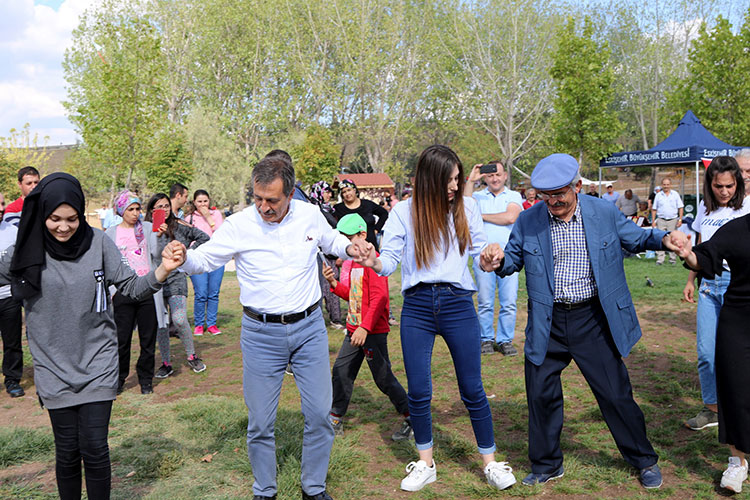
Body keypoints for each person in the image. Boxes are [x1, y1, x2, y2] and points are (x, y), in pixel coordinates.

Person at [170, 155, 369, 500]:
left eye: (272, 200)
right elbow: (206, 258)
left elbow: (331, 240)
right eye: (258, 198)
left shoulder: (309, 215)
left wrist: (350, 246)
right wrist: (184, 258)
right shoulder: (238, 225)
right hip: (261, 335)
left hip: (309, 330)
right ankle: (265, 490)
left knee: (321, 415)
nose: (264, 207)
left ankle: (314, 488)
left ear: (290, 194)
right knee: (261, 422)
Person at [489, 153, 688, 489]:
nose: (553, 202)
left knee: (615, 393)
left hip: (592, 318)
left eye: (560, 194)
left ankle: (644, 460)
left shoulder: (603, 213)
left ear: (577, 187)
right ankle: (547, 464)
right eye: (546, 195)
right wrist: (495, 261)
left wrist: (663, 239)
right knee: (540, 394)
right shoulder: (529, 220)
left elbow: (636, 237)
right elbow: (512, 260)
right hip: (547, 321)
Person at [0, 172, 183, 500]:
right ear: (42, 214)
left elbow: (130, 286)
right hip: (53, 368)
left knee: (96, 448)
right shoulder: (24, 250)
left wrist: (162, 270)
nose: (63, 227)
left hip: (98, 363)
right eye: (54, 219)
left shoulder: (99, 242)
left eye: (71, 219)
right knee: (68, 451)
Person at [357, 145, 517, 492]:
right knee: (419, 390)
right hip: (416, 307)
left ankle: (491, 463)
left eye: (458, 179)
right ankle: (426, 463)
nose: (455, 186)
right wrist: (372, 261)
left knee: (472, 388)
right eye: (449, 180)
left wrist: (491, 257)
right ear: (429, 179)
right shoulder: (403, 211)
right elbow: (390, 261)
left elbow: (481, 256)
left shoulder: (467, 207)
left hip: (459, 304)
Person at [677, 211, 750, 493]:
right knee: (734, 387)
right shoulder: (736, 229)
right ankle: (737, 462)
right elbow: (704, 258)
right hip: (739, 317)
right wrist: (686, 253)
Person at [322, 213, 411, 441]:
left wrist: (364, 328)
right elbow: (351, 295)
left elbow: (379, 298)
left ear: (362, 235)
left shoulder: (373, 261)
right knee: (341, 371)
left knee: (383, 378)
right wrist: (333, 283)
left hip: (372, 332)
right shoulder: (352, 264)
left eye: (349, 240)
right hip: (354, 330)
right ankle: (335, 417)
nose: (346, 247)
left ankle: (414, 417)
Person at [681, 157, 749, 431]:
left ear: (738, 184)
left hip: (738, 287)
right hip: (708, 286)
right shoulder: (704, 209)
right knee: (706, 352)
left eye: (729, 186)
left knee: (738, 353)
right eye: (718, 186)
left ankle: (741, 408)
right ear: (710, 185)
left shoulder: (746, 207)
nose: (724, 191)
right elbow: (700, 249)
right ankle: (712, 409)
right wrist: (690, 280)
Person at [106, 190, 168, 395]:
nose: (135, 213)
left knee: (147, 339)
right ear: (121, 211)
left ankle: (146, 380)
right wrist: (113, 290)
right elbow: (108, 262)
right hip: (123, 291)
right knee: (121, 340)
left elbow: (156, 256)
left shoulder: (148, 228)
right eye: (130, 209)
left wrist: (158, 237)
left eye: (137, 209)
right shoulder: (111, 233)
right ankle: (119, 379)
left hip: (146, 289)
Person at [145, 193, 209, 377]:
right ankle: (166, 363)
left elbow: (204, 238)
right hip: (154, 280)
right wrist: (156, 234)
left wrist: (187, 255)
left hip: (176, 279)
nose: (163, 210)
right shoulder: (145, 229)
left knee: (180, 319)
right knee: (161, 324)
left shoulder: (179, 225)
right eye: (158, 207)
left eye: (166, 206)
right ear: (151, 210)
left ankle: (192, 356)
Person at [464, 161, 523, 356]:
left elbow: (510, 217)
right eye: (490, 175)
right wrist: (471, 180)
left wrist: (479, 215)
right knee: (485, 301)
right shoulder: (477, 196)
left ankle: (505, 340)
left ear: (505, 175)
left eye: (498, 174)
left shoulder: (513, 195)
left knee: (509, 302)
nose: (495, 178)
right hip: (482, 257)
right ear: (485, 178)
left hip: (508, 258)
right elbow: (464, 209)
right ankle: (486, 339)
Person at [187, 189, 225, 336]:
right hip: (198, 258)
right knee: (201, 293)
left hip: (216, 258)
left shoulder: (216, 215)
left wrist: (209, 218)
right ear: (194, 202)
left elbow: (221, 235)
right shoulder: (189, 218)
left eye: (205, 201)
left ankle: (212, 324)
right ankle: (198, 324)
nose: (203, 204)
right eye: (199, 201)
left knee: (213, 293)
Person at [309, 180, 345, 329]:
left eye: (330, 192)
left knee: (333, 286)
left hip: (332, 254)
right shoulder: (312, 211)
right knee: (319, 287)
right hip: (318, 255)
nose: (329, 194)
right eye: (326, 191)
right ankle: (316, 320)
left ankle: (335, 319)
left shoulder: (331, 210)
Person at [0, 192, 23, 397]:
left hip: (8, 296)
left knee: (12, 342)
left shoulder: (13, 231)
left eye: (2, 204)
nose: (0, 208)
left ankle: (13, 379)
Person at [334, 179, 389, 250]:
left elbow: (384, 214)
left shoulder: (367, 204)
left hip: (370, 245)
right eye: (344, 192)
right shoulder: (338, 208)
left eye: (349, 190)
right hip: (349, 249)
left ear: (354, 190)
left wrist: (376, 229)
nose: (347, 194)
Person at [651, 177, 684, 265]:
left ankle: (672, 259)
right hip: (661, 220)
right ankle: (660, 259)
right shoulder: (658, 195)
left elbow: (680, 207)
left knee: (673, 240)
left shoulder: (675, 194)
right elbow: (654, 209)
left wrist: (680, 219)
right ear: (662, 185)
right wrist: (653, 221)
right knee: (660, 239)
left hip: (673, 220)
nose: (666, 186)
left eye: (668, 184)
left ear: (670, 185)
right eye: (664, 184)